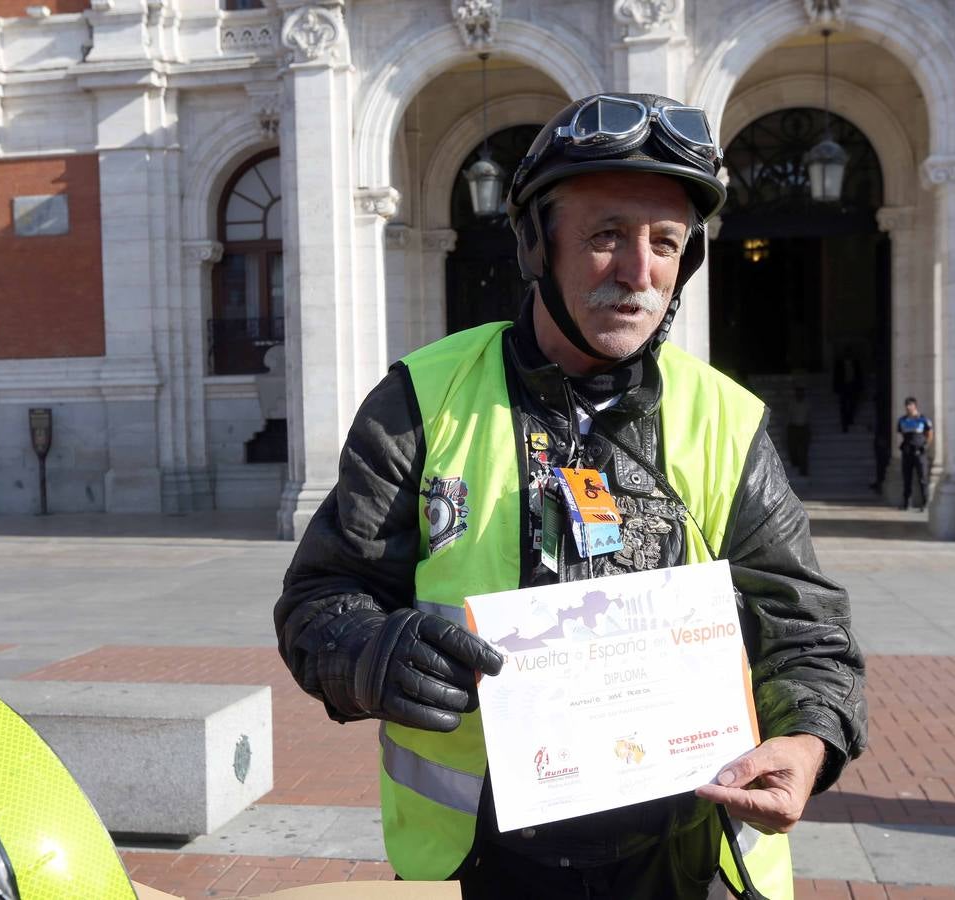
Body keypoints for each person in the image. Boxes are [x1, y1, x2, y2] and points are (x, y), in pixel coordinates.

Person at [275, 93, 866, 900]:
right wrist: (371, 655)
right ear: (533, 244)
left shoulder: (726, 419)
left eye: (665, 242)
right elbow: (322, 595)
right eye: (606, 236)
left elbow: (806, 629)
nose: (638, 270)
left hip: (687, 861)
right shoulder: (423, 398)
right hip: (484, 861)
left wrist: (806, 743)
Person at [897, 397, 933, 511]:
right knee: (906, 477)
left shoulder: (923, 419)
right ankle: (907, 503)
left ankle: (925, 503)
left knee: (922, 478)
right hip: (907, 451)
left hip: (919, 451)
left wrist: (925, 446)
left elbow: (930, 434)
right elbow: (902, 433)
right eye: (906, 405)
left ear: (915, 406)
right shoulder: (902, 420)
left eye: (910, 405)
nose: (908, 407)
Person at [832, 349, 862, 433]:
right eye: (846, 353)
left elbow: (859, 375)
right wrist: (836, 387)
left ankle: (849, 418)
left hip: (852, 385)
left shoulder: (855, 363)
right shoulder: (839, 363)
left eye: (849, 353)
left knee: (853, 403)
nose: (848, 354)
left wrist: (860, 387)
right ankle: (844, 424)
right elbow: (836, 376)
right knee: (843, 406)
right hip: (843, 386)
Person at [786, 385, 811, 477]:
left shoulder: (807, 403)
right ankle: (795, 463)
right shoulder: (792, 403)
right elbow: (789, 415)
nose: (799, 395)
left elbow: (808, 415)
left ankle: (803, 471)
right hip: (793, 427)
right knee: (792, 448)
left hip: (804, 427)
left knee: (804, 451)